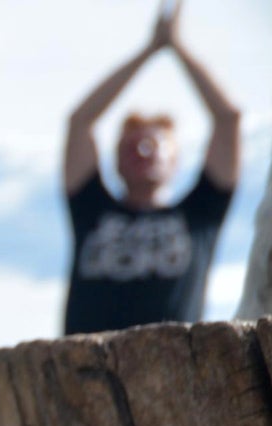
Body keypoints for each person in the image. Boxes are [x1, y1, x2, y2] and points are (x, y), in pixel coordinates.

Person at [61, 1, 241, 335]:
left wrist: (178, 49)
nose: (143, 151)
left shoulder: (199, 214)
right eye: (131, 146)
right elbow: (80, 121)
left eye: (155, 146)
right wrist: (148, 50)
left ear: (176, 161)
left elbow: (227, 119)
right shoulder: (91, 208)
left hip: (172, 373)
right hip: (82, 374)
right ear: (114, 161)